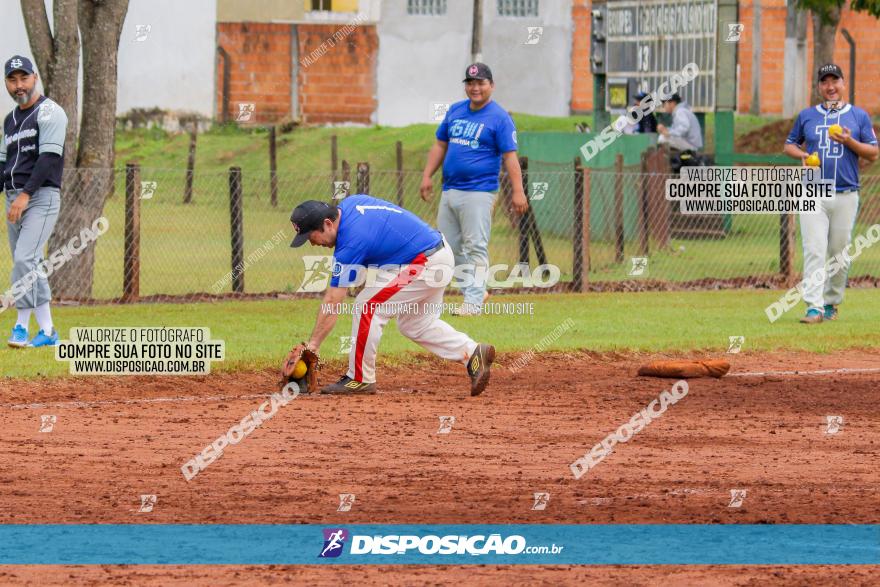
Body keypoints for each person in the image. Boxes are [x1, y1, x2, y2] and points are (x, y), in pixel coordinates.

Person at [289, 194, 495, 396]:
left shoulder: (350, 242)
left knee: (367, 305)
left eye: (310, 236)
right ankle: (472, 353)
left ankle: (360, 378)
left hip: (424, 262)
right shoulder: (351, 204)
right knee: (415, 324)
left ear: (327, 223)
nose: (312, 243)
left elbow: (333, 301)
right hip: (437, 254)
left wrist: (313, 345)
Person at [419, 62, 528, 316]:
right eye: (470, 83)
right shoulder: (456, 111)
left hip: (479, 192)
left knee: (475, 246)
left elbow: (510, 158)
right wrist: (427, 175)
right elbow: (439, 145)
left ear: (491, 85)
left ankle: (474, 302)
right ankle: (476, 291)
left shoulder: (500, 118)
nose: (475, 87)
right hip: (450, 189)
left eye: (480, 83)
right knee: (446, 248)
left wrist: (518, 190)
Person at [783, 63, 878, 323]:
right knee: (814, 249)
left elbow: (873, 153)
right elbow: (789, 144)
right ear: (818, 88)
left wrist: (850, 142)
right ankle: (813, 307)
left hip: (846, 192)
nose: (830, 86)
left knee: (839, 254)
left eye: (834, 80)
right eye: (824, 82)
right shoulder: (807, 116)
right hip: (813, 190)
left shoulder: (858, 116)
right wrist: (802, 155)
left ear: (843, 84)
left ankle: (831, 303)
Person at [1, 55, 68, 348]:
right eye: (12, 80)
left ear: (35, 77)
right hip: (14, 198)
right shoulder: (10, 120)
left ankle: (20, 326)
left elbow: (48, 159)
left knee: (25, 259)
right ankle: (49, 332)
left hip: (40, 197)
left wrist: (26, 195)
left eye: (23, 78)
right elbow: (4, 164)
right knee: (32, 264)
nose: (18, 86)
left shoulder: (50, 112)